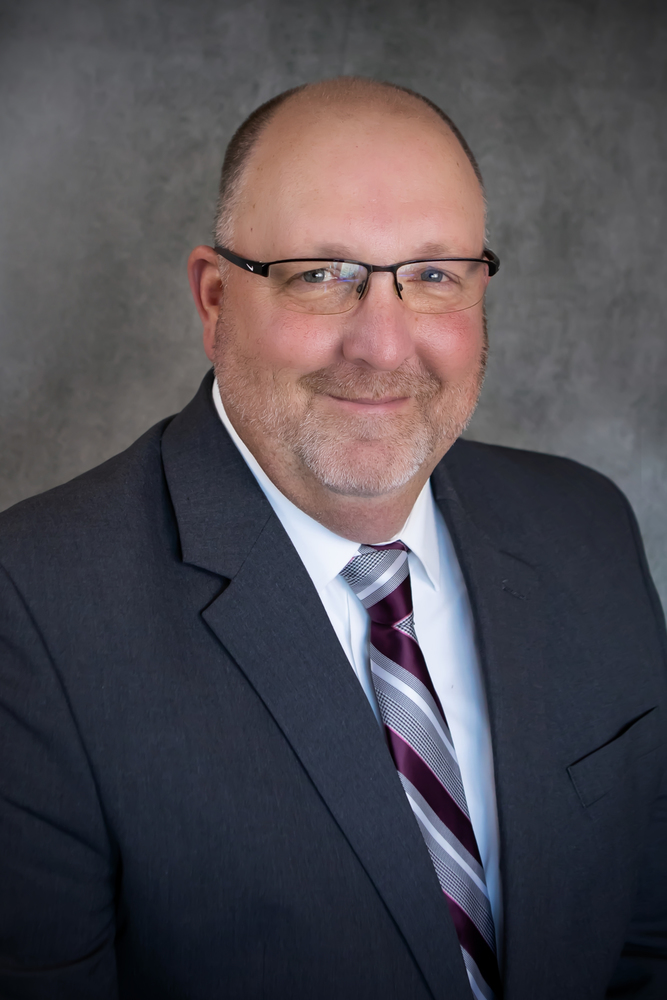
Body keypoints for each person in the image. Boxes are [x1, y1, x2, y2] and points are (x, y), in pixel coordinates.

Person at [0, 77, 665, 1000]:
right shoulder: (32, 612)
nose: (384, 346)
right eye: (321, 274)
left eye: (434, 276)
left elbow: (646, 941)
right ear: (214, 299)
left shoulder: (585, 526)